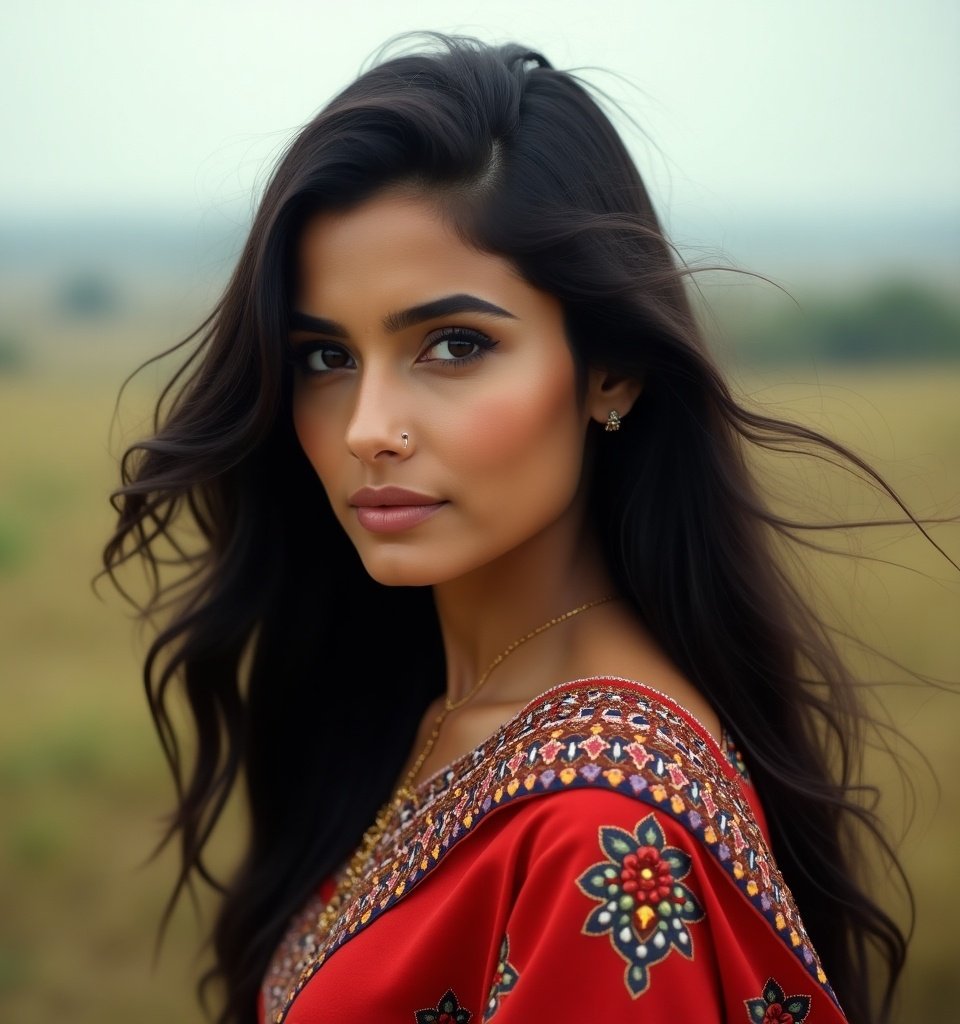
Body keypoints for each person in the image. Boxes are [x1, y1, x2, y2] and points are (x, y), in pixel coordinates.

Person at [102, 34, 914, 1024]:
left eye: (453, 345)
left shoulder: (601, 836)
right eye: (323, 357)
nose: (366, 429)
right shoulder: (423, 703)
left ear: (608, 370)